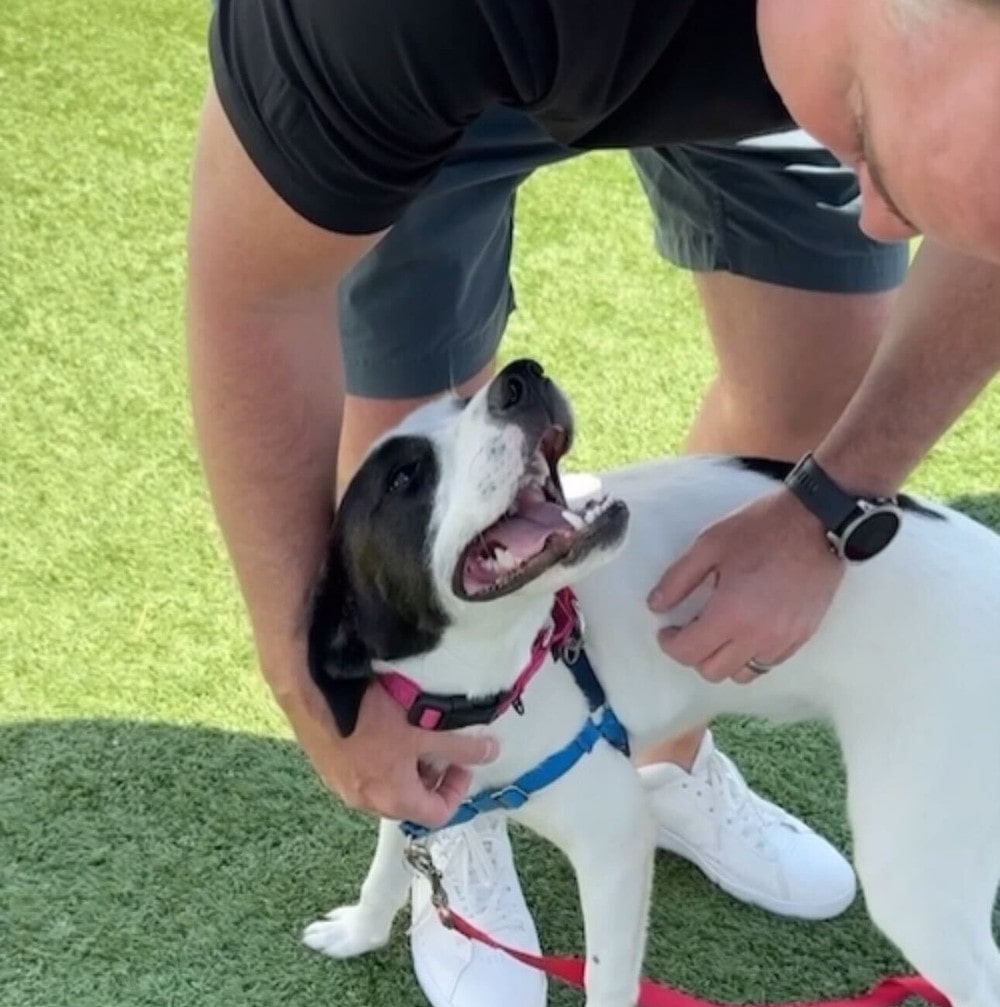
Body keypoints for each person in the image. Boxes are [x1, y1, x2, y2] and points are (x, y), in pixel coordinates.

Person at [186, 1, 1000, 1004]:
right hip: (464, 51)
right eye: (867, 144)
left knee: (815, 391)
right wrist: (318, 694)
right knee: (428, 431)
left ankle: (658, 754)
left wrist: (827, 500)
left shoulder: (913, 72)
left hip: (782, 48)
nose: (872, 219)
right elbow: (253, 294)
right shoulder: (389, 24)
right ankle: (455, 806)